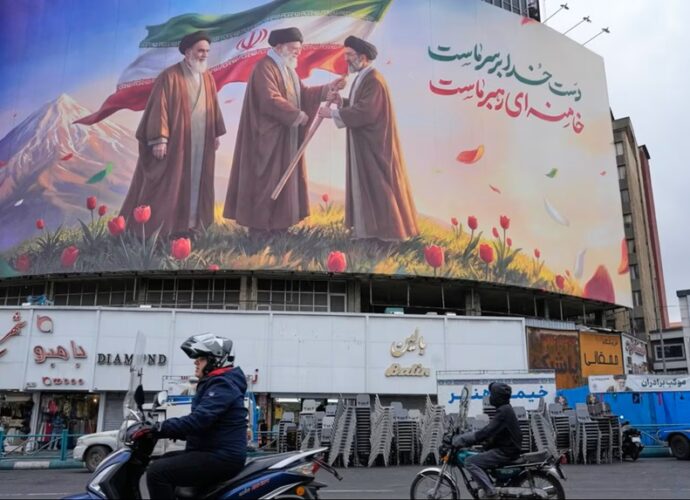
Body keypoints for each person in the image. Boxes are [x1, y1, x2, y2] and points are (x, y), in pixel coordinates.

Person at [223, 27, 345, 236]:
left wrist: (327, 90)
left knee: (284, 180)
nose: (298, 52)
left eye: (299, 48)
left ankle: (279, 227)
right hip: (266, 139)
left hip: (284, 138)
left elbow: (303, 94)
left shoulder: (287, 69)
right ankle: (259, 230)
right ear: (279, 47)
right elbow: (269, 99)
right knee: (265, 181)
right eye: (294, 48)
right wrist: (296, 115)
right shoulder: (264, 67)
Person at [120, 30, 226, 238]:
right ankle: (164, 231)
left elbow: (213, 107)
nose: (204, 55)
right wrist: (160, 139)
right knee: (170, 185)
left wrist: (215, 133)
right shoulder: (169, 77)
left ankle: (191, 227)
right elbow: (158, 109)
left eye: (207, 51)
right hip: (177, 143)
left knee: (197, 183)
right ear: (188, 52)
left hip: (201, 143)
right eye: (200, 51)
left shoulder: (208, 78)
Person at [318, 36, 419, 242]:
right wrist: (341, 102)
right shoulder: (363, 77)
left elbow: (367, 112)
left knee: (380, 187)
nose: (346, 59)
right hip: (365, 143)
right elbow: (359, 105)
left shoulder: (374, 80)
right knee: (368, 187)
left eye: (349, 55)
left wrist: (333, 114)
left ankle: (389, 237)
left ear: (362, 57)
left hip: (375, 146)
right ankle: (370, 233)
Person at [145, 334, 248, 498]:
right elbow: (208, 426)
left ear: (216, 360)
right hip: (213, 451)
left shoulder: (223, 384)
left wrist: (160, 427)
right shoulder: (218, 383)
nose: (195, 362)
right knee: (162, 460)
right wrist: (174, 432)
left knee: (156, 472)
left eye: (201, 358)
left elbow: (200, 420)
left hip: (222, 456)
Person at [447, 383, 522, 499]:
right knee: (479, 454)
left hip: (505, 451)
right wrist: (484, 443)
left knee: (470, 462)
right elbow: (494, 432)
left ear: (498, 396)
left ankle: (491, 493)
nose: (490, 397)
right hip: (507, 447)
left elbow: (487, 431)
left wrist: (464, 439)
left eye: (492, 394)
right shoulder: (505, 409)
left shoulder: (503, 411)